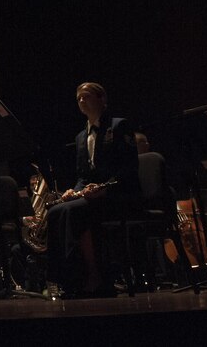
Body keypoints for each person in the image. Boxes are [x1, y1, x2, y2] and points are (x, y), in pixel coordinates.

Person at [46, 82, 140, 297]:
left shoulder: (118, 126)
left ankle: (94, 276)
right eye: (78, 98)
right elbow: (83, 176)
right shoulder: (80, 137)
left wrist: (105, 188)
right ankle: (67, 280)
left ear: (102, 99)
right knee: (56, 211)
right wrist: (74, 190)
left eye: (86, 96)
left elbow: (129, 169)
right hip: (94, 196)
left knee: (73, 211)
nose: (81, 101)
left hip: (120, 194)